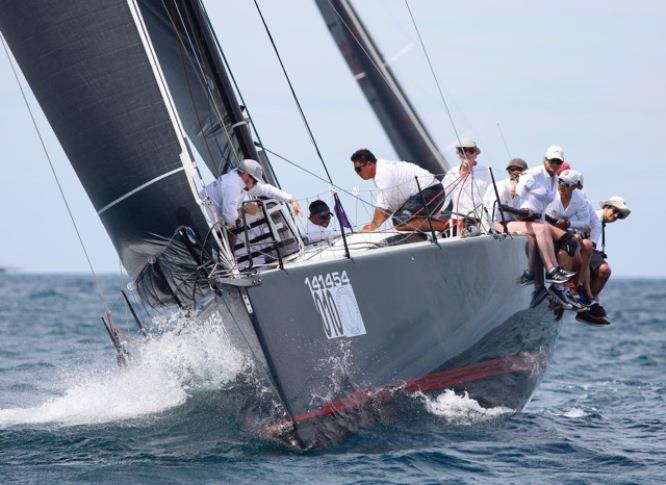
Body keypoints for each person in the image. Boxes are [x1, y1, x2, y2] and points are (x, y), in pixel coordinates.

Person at [509, 145, 578, 289]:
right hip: (518, 220)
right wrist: (524, 209)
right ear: (545, 159)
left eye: (558, 162)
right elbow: (517, 196)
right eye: (552, 161)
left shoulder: (554, 179)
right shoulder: (533, 174)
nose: (555, 165)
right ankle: (552, 271)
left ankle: (555, 271)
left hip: (537, 220)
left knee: (564, 237)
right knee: (542, 230)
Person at [351, 148, 448, 233]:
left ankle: (445, 226)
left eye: (358, 169)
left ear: (369, 164)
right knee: (399, 219)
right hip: (432, 191)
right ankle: (443, 226)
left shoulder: (383, 173)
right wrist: (375, 225)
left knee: (399, 221)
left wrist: (373, 226)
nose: (358, 173)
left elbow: (381, 206)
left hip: (431, 191)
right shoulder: (382, 170)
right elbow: (389, 207)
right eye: (356, 171)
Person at [203, 158, 302, 227]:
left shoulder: (242, 179)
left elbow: (267, 190)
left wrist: (292, 200)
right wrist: (245, 210)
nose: (256, 184)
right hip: (202, 218)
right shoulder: (232, 185)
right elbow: (230, 218)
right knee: (233, 230)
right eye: (255, 181)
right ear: (246, 175)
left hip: (211, 221)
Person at [589, 196, 631, 303]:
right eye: (615, 210)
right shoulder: (597, 219)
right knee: (604, 270)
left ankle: (590, 301)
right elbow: (590, 245)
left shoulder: (597, 217)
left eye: (619, 215)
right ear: (607, 206)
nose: (616, 215)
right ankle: (587, 302)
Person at [442, 137, 491, 228]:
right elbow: (443, 198)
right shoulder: (451, 173)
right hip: (456, 222)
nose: (467, 154)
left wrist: (488, 222)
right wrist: (433, 214)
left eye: (471, 151)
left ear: (476, 154)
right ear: (458, 154)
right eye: (463, 151)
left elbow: (492, 199)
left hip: (479, 223)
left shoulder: (486, 172)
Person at [482, 157, 527, 227]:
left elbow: (517, 217)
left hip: (510, 223)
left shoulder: (525, 190)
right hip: (491, 227)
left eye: (519, 169)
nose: (515, 172)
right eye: (511, 170)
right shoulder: (500, 188)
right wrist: (506, 233)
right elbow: (491, 219)